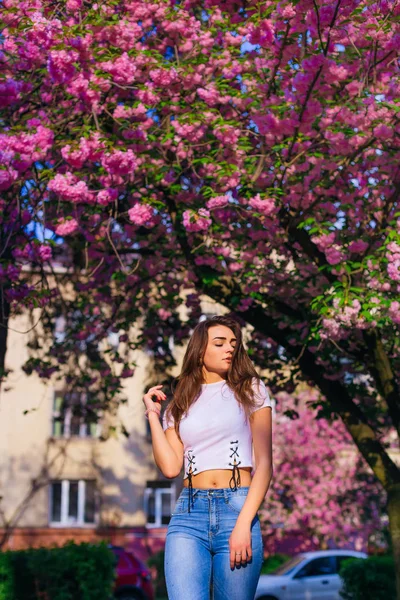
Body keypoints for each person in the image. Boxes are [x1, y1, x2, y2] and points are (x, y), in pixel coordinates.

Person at [143, 315, 273, 600]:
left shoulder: (250, 389)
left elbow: (264, 465)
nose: (230, 349)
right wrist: (153, 416)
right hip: (188, 515)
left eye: (233, 344)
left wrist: (242, 525)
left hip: (237, 508)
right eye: (220, 343)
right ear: (200, 350)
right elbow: (169, 467)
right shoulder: (179, 402)